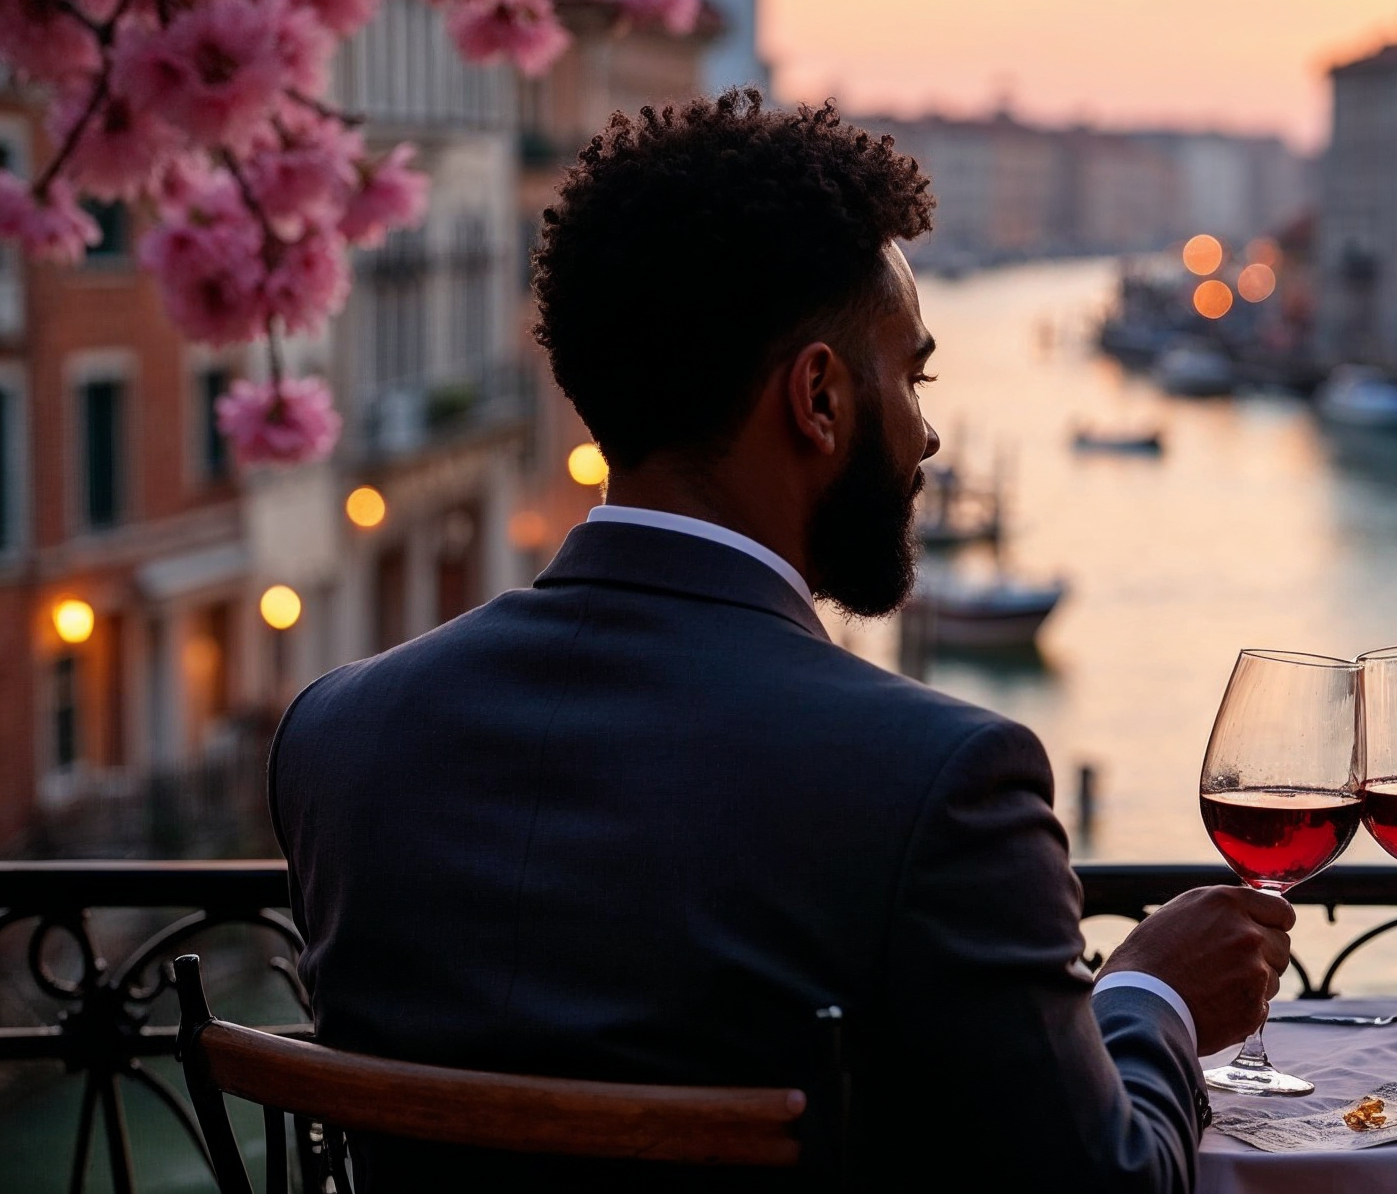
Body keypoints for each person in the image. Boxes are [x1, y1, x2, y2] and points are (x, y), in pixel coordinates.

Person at [269, 92, 1293, 1191]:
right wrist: (1151, 999)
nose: (929, 429)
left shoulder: (336, 734)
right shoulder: (942, 783)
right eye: (914, 373)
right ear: (818, 396)